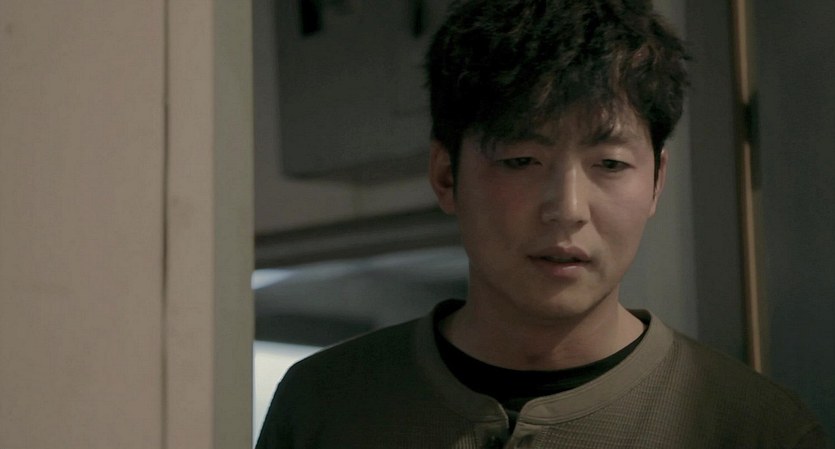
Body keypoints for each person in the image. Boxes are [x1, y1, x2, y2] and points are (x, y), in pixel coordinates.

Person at [256, 1, 828, 447]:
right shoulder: (326, 404)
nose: (568, 207)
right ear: (446, 175)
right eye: (521, 161)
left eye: (609, 164)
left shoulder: (755, 429)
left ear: (656, 181)